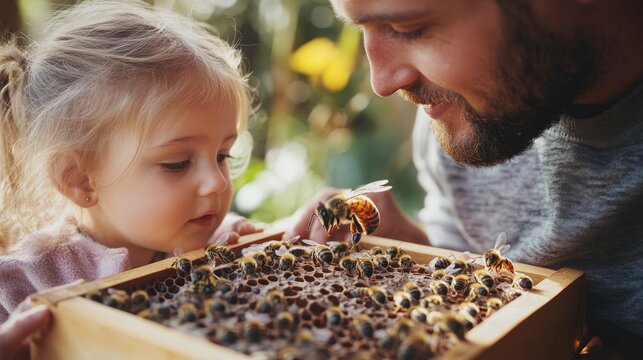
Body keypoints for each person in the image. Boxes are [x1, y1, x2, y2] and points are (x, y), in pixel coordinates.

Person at [289, 0, 642, 357]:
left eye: (409, 29)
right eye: (361, 28)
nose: (380, 81)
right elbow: (469, 272)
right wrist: (411, 249)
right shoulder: (453, 116)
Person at [0, 0, 260, 355]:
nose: (216, 181)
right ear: (81, 180)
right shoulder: (17, 287)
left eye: (221, 156)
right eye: (178, 163)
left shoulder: (218, 238)